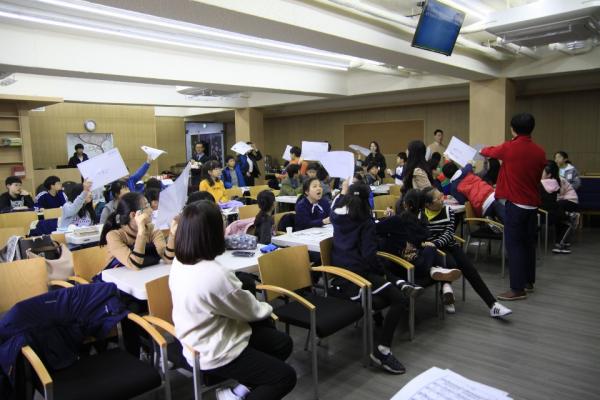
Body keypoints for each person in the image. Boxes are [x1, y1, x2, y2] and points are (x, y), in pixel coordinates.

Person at [170, 200, 296, 400]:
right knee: (284, 377)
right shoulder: (214, 274)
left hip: (199, 336)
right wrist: (267, 309)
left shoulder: (180, 261)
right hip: (214, 350)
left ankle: (238, 392)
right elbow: (251, 311)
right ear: (213, 233)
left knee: (281, 343)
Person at [330, 181, 413, 374]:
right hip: (358, 276)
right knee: (400, 299)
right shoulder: (366, 221)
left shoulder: (336, 216)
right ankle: (382, 351)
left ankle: (397, 284)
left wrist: (343, 192)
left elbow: (336, 203)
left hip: (340, 275)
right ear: (367, 200)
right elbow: (369, 256)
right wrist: (381, 272)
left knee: (387, 281)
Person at [480, 113, 546, 300]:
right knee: (528, 244)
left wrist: (482, 149)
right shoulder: (540, 151)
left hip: (516, 205)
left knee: (514, 245)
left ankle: (517, 289)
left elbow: (488, 151)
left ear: (513, 129)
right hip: (532, 205)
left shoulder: (509, 147)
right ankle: (528, 282)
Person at [421, 187, 512, 317]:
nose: (442, 199)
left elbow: (449, 234)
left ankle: (493, 305)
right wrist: (433, 245)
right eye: (438, 198)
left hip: (450, 246)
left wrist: (435, 243)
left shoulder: (448, 211)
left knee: (471, 271)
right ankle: (446, 295)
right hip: (435, 251)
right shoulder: (421, 216)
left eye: (442, 195)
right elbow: (423, 237)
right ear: (428, 204)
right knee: (449, 264)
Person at [376, 190, 461, 289]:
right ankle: (437, 271)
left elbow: (376, 229)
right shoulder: (423, 223)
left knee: (384, 241)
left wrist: (387, 218)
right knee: (431, 247)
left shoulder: (396, 220)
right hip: (422, 266)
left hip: (402, 267)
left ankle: (436, 270)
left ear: (406, 204)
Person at [100, 191, 175, 271]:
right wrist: (141, 231)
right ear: (133, 215)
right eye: (146, 207)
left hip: (143, 275)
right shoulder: (114, 236)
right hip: (114, 277)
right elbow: (134, 264)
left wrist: (172, 234)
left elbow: (168, 259)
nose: (151, 210)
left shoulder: (151, 229)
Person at [541, 160, 579, 254]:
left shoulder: (559, 180)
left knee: (558, 209)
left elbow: (559, 195)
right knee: (560, 216)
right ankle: (568, 216)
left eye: (541, 171)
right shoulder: (551, 181)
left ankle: (568, 216)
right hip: (555, 205)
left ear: (549, 174)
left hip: (570, 200)